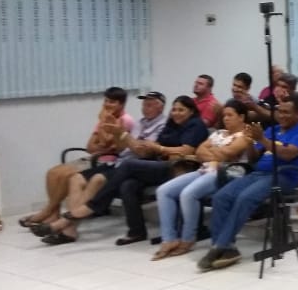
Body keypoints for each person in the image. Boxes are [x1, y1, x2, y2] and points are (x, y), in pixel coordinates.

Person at [45, 96, 209, 246]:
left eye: (181, 110)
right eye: (174, 109)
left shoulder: (195, 125)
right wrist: (146, 146)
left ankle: (92, 206)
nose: (176, 113)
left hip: (180, 168)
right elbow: (151, 147)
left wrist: (158, 148)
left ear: (191, 111)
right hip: (159, 164)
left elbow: (186, 150)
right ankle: (136, 232)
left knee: (128, 165)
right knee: (128, 185)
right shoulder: (170, 125)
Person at [197, 94, 298, 271]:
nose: (282, 115)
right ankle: (228, 248)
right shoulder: (273, 129)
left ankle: (219, 247)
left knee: (245, 198)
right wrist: (250, 142)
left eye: (287, 112)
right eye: (280, 111)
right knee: (221, 197)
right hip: (259, 173)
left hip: (284, 175)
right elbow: (253, 159)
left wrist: (262, 140)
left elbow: (288, 154)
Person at [19, 86, 139, 231]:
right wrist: (103, 137)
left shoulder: (125, 120)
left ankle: (47, 211)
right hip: (94, 158)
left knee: (65, 175)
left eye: (112, 102)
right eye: (106, 101)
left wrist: (102, 125)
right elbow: (90, 146)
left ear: (121, 104)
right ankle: (53, 214)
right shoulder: (105, 118)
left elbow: (110, 144)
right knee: (53, 173)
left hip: (107, 162)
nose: (107, 105)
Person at [152, 100, 254, 259]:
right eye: (224, 115)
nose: (226, 118)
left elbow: (228, 154)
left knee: (188, 194)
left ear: (241, 117)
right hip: (206, 169)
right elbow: (199, 152)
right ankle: (169, 239)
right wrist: (217, 153)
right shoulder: (219, 133)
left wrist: (213, 150)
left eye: (230, 115)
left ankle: (188, 238)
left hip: (228, 173)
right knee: (164, 191)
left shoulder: (246, 134)